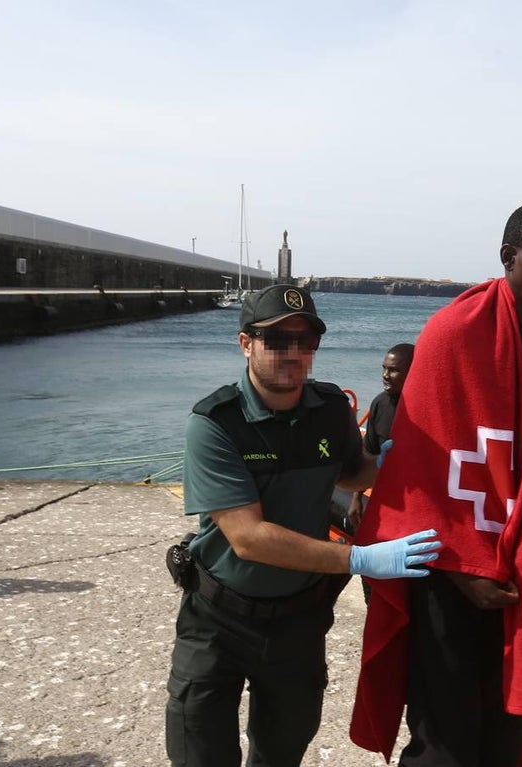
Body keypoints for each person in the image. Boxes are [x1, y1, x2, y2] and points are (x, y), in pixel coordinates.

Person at [349, 202, 522, 766]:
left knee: (509, 732)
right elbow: (421, 475)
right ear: (509, 258)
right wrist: (465, 569)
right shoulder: (452, 334)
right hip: (450, 574)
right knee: (445, 745)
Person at [165, 284, 442, 767]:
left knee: (281, 753)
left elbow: (350, 469)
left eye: (305, 341)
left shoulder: (330, 409)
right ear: (245, 343)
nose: (293, 353)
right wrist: (357, 557)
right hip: (218, 620)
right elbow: (248, 538)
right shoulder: (215, 423)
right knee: (200, 754)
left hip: (298, 622)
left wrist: (389, 463)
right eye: (276, 340)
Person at [347, 342, 415, 531]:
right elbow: (369, 452)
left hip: (418, 501)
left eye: (394, 370)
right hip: (387, 498)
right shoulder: (379, 403)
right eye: (384, 369)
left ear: (412, 371)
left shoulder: (426, 408)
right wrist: (356, 498)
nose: (385, 376)